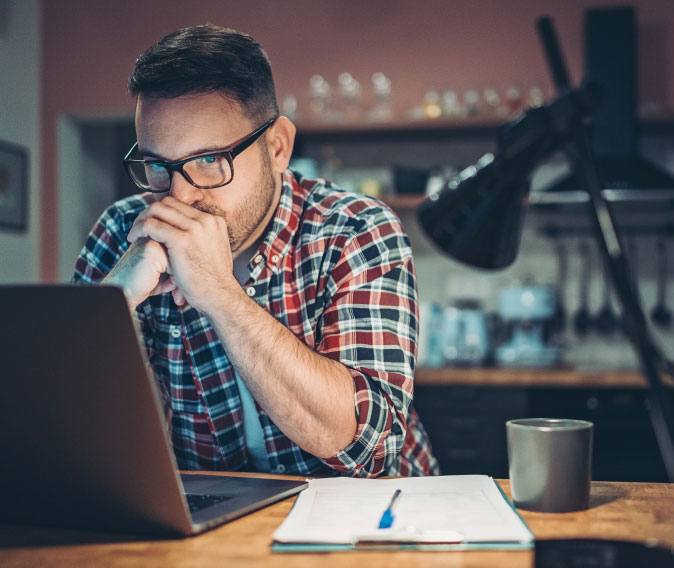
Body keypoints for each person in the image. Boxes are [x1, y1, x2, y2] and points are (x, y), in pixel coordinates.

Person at [73, 24, 439, 478]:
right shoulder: (121, 232)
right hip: (214, 524)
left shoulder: (356, 229)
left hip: (378, 519)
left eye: (208, 160)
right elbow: (63, 427)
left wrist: (221, 295)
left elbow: (370, 449)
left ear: (277, 147)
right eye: (157, 165)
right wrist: (115, 303)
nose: (179, 197)